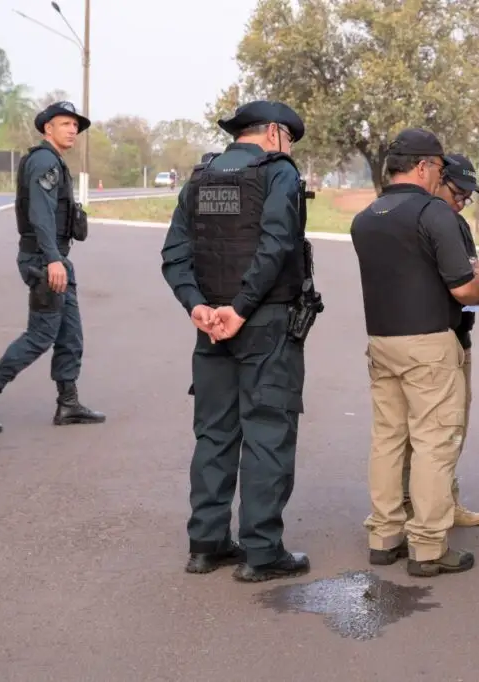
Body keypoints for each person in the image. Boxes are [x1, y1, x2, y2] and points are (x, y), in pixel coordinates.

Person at [160, 100, 322, 583]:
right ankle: (262, 552)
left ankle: (206, 545)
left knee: (214, 433)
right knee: (267, 431)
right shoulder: (278, 175)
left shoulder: (201, 176)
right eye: (288, 138)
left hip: (211, 325)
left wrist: (199, 307)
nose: (288, 146)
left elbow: (174, 253)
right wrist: (242, 307)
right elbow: (277, 244)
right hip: (263, 323)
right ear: (273, 133)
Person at [350, 128, 479, 578]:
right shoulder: (432, 213)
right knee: (433, 443)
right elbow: (461, 288)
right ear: (423, 166)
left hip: (382, 342)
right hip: (428, 345)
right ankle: (428, 546)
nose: (440, 176)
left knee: (388, 440)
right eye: (439, 168)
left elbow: (414, 267)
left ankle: (384, 537)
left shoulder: (367, 216)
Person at [0, 101, 105, 434]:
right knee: (41, 334)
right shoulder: (45, 161)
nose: (72, 130)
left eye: (75, 125)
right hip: (46, 260)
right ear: (48, 128)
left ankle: (68, 402)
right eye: (65, 124)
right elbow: (40, 215)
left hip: (56, 258)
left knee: (70, 334)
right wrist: (53, 259)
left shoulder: (52, 161)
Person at [400, 152, 479, 527]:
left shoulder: (449, 222)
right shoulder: (432, 219)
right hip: (441, 339)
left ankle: (435, 503)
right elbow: (453, 283)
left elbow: (457, 268)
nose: (461, 202)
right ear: (435, 178)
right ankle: (427, 512)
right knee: (438, 433)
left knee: (443, 431)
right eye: (458, 192)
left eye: (467, 197)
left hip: (455, 336)